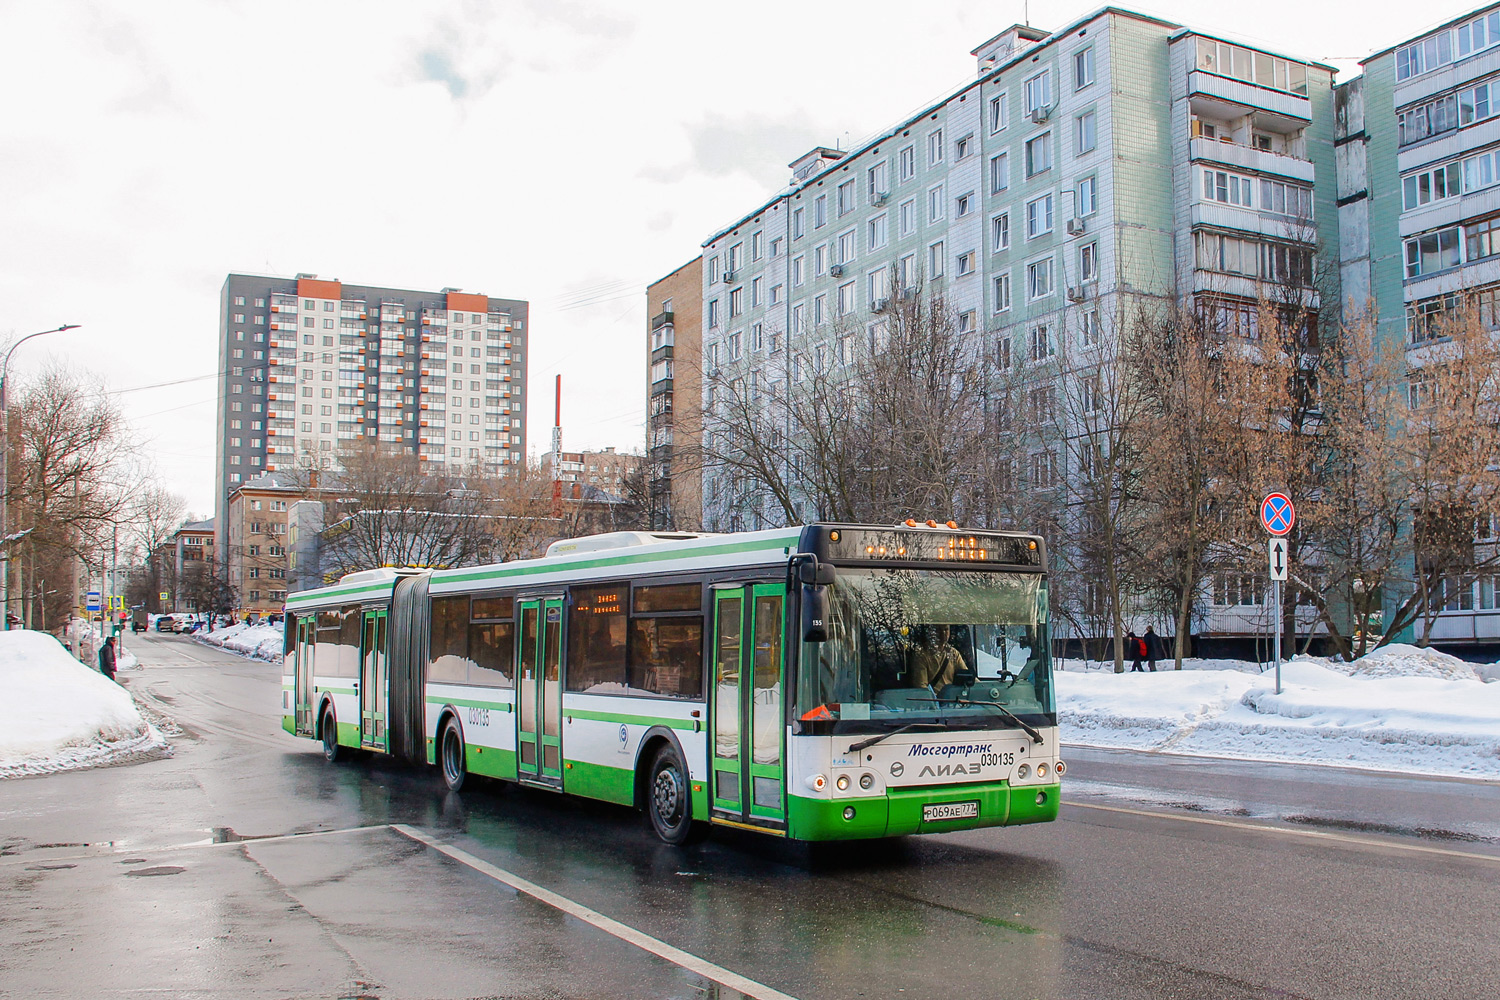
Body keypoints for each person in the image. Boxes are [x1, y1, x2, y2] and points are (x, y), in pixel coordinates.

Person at [910, 624, 966, 693]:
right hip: (933, 701)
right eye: (939, 630)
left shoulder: (953, 653)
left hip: (952, 700)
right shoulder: (922, 655)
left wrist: (980, 687)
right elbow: (921, 687)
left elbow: (966, 676)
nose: (943, 633)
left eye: (946, 629)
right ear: (932, 632)